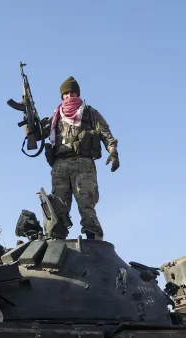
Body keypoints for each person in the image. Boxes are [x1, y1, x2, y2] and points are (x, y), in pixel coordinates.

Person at [29, 76, 119, 241]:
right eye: (66, 94)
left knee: (86, 203)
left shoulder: (89, 113)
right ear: (62, 96)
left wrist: (113, 152)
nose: (69, 96)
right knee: (58, 205)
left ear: (78, 93)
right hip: (60, 165)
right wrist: (29, 122)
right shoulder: (56, 116)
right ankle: (57, 241)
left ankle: (94, 239)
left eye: (72, 92)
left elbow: (106, 133)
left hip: (83, 163)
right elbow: (37, 136)